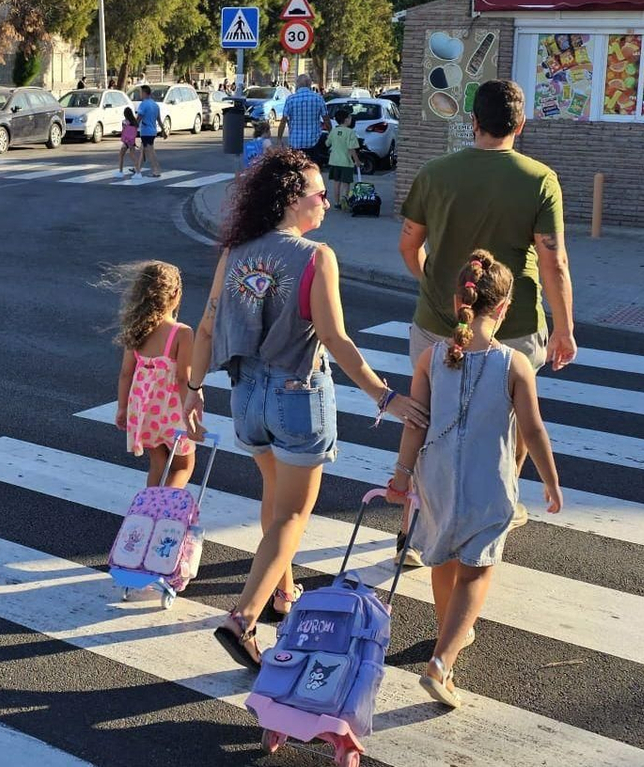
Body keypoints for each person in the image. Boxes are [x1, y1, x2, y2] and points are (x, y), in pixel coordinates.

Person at [182, 148, 427, 670]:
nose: (327, 205)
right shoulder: (316, 257)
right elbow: (335, 338)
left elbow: (205, 327)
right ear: (293, 200)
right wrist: (384, 395)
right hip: (298, 394)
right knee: (293, 512)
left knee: (274, 496)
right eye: (319, 194)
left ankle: (282, 591)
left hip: (245, 393)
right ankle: (242, 618)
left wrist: (192, 388)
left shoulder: (235, 252)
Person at [395, 79, 577, 565]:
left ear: (472, 122)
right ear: (520, 125)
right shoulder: (540, 179)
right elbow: (554, 262)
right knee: (508, 422)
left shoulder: (434, 173)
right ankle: (501, 504)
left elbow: (408, 245)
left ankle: (417, 526)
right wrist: (563, 328)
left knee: (426, 420)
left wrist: (434, 285)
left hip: (437, 320)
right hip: (511, 324)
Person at [385, 250, 562, 710]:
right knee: (477, 569)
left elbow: (415, 423)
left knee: (442, 559)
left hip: (436, 475)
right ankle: (441, 662)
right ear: (503, 309)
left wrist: (401, 476)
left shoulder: (431, 356)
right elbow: (533, 429)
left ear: (456, 300)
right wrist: (550, 481)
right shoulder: (513, 363)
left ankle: (450, 634)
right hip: (489, 479)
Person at [110, 261, 197, 489]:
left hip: (146, 409)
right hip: (173, 410)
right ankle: (166, 514)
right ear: (176, 294)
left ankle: (149, 513)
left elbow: (126, 373)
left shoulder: (139, 330)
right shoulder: (182, 333)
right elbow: (182, 378)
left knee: (158, 465)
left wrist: (122, 408)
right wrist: (190, 413)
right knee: (182, 466)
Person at [279, 74, 324, 163]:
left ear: (298, 84)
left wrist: (279, 139)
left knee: (296, 169)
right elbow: (326, 118)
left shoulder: (290, 99)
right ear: (310, 84)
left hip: (295, 143)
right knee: (312, 169)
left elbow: (283, 120)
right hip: (314, 142)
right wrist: (331, 133)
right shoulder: (318, 98)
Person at [325, 105, 359, 208]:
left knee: (336, 182)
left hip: (334, 161)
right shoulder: (350, 132)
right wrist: (357, 160)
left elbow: (327, 143)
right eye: (349, 117)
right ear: (346, 120)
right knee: (346, 183)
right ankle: (345, 200)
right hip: (346, 162)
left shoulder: (333, 131)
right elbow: (351, 148)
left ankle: (336, 202)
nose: (351, 119)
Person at [135, 85, 162, 178]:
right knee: (143, 150)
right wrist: (164, 131)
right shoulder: (155, 105)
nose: (140, 94)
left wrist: (133, 127)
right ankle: (137, 169)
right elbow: (159, 119)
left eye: (140, 92)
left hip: (146, 131)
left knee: (150, 151)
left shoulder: (143, 104)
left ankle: (156, 170)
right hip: (153, 131)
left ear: (144, 93)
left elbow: (139, 117)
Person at [116, 106, 141, 177]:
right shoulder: (134, 122)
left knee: (121, 155)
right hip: (132, 141)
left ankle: (120, 172)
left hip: (126, 141)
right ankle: (138, 172)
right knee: (133, 156)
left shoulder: (124, 122)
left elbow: (124, 131)